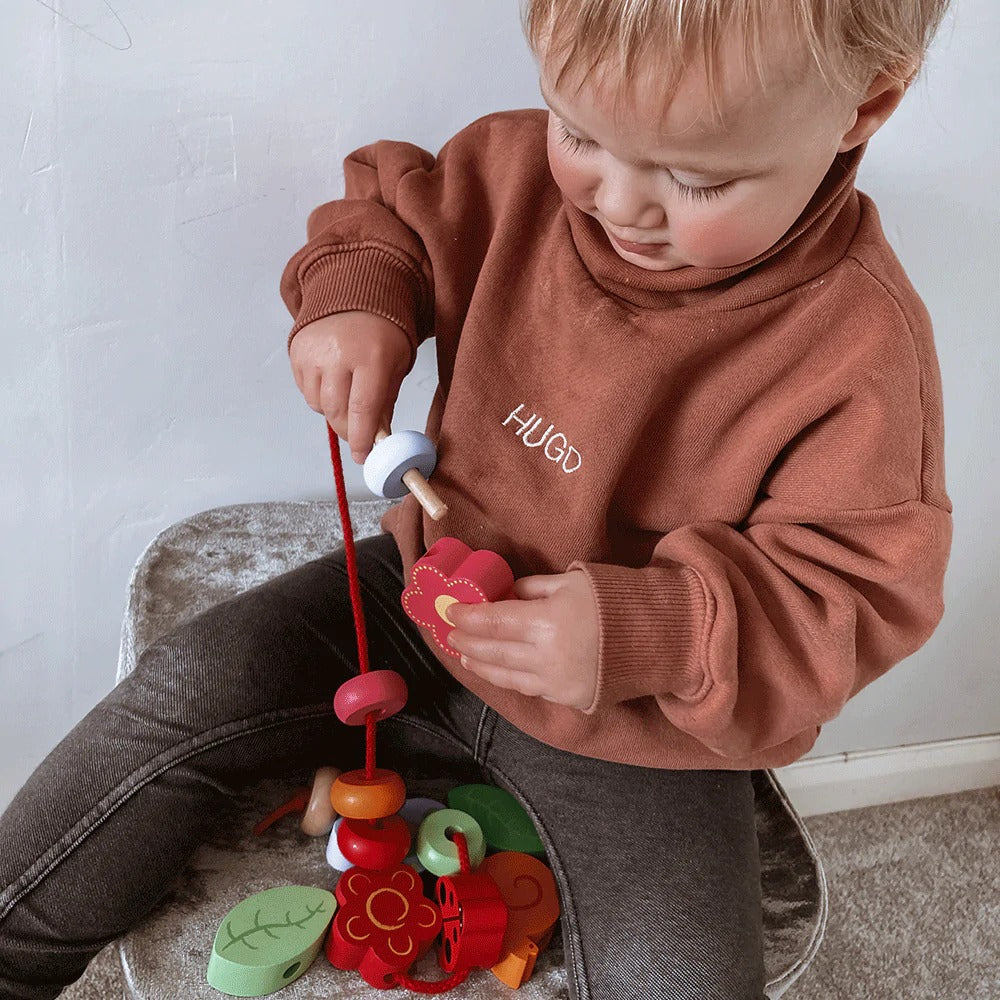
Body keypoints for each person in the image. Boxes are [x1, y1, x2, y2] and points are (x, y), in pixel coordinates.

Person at [0, 1, 953, 997]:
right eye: (580, 134)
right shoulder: (513, 172)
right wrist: (357, 298)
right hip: (416, 604)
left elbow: (851, 597)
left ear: (863, 106)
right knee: (193, 680)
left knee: (689, 976)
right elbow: (390, 213)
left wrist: (639, 633)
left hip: (634, 718)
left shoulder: (857, 345)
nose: (619, 204)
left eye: (697, 177)